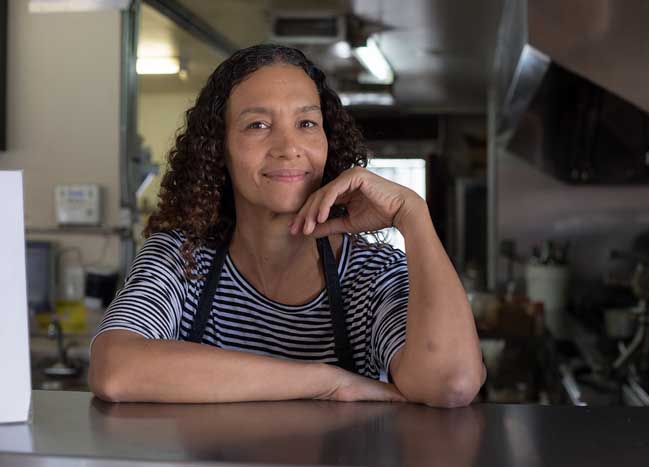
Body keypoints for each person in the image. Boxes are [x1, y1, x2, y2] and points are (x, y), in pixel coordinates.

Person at [89, 44, 485, 408]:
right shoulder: (180, 258)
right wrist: (326, 381)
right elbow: (115, 370)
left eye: (307, 124)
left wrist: (413, 216)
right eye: (258, 125)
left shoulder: (371, 275)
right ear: (218, 149)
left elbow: (451, 383)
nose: (288, 147)